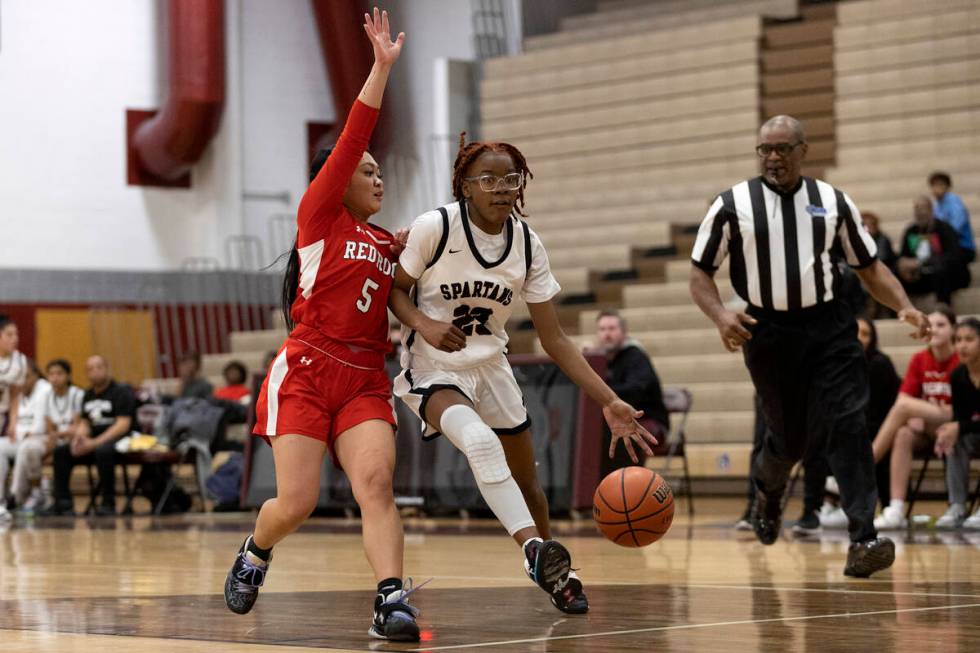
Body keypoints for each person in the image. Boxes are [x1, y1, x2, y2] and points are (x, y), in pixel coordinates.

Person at [224, 11, 436, 643]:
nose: (378, 177)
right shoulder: (319, 219)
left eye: (379, 171)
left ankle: (391, 599)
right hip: (309, 371)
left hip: (365, 376)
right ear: (340, 182)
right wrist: (380, 69)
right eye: (367, 171)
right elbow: (353, 136)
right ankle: (256, 550)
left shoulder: (386, 241)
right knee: (297, 503)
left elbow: (409, 281)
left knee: (375, 485)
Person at [389, 132, 657, 613]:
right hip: (432, 367)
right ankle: (534, 552)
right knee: (478, 442)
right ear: (465, 186)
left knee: (527, 482)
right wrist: (422, 323)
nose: (501, 188)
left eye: (510, 179)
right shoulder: (436, 227)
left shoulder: (528, 246)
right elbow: (395, 288)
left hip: (491, 366)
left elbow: (554, 339)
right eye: (487, 179)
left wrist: (608, 400)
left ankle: (558, 572)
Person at [689, 114, 929, 577]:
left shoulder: (832, 202)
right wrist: (720, 315)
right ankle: (769, 493)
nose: (773, 158)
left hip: (828, 326)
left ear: (803, 150)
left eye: (782, 148)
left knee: (848, 422)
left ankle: (864, 537)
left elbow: (869, 267)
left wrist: (905, 307)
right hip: (768, 331)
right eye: (765, 149)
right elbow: (700, 274)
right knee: (789, 440)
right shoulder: (731, 204)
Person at [872, 306, 959, 529]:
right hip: (930, 426)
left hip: (954, 421)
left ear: (953, 330)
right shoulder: (920, 359)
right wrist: (918, 412)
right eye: (930, 325)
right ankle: (897, 508)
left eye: (941, 325)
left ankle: (866, 463)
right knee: (902, 433)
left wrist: (916, 410)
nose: (935, 330)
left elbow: (905, 404)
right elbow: (904, 399)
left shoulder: (960, 358)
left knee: (903, 410)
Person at [44, 356, 136, 517]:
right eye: (90, 369)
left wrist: (94, 443)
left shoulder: (121, 391)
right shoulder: (88, 395)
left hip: (120, 440)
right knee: (61, 452)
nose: (95, 372)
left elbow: (122, 425)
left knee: (103, 451)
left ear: (107, 369)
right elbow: (85, 423)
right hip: (93, 440)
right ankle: (63, 503)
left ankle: (108, 502)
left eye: (98, 367)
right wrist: (79, 439)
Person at [593, 310, 669, 479]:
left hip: (648, 420)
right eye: (602, 329)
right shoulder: (600, 359)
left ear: (624, 332)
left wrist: (603, 394)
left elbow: (635, 392)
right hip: (617, 419)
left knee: (609, 431)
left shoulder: (636, 356)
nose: (607, 334)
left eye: (612, 328)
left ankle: (624, 487)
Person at [19, 359, 85, 513]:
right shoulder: (47, 396)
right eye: (51, 374)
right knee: (32, 450)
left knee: (57, 454)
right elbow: (50, 429)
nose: (55, 378)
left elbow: (77, 428)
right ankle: (37, 494)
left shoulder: (77, 394)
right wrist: (53, 440)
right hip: (57, 441)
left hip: (75, 442)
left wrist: (60, 434)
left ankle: (58, 498)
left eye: (59, 373)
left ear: (68, 376)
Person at [934, 318, 980, 528]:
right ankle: (958, 506)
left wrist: (959, 427)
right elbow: (961, 418)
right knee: (954, 439)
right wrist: (948, 431)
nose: (962, 345)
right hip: (975, 432)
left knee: (958, 431)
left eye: (969, 339)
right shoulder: (958, 375)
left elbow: (962, 424)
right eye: (958, 339)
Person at [896, 195, 970, 305]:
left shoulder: (944, 228)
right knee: (894, 272)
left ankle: (943, 309)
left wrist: (921, 262)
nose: (920, 212)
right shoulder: (911, 231)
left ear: (931, 209)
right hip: (922, 276)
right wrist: (903, 264)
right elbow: (903, 256)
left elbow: (954, 255)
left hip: (947, 274)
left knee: (941, 269)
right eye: (917, 208)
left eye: (923, 208)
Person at [3, 360, 52, 516]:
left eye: (26, 377)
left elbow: (39, 426)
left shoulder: (45, 389)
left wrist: (22, 434)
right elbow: (14, 426)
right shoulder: (18, 393)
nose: (22, 381)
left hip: (42, 439)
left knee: (26, 448)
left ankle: (15, 496)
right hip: (22, 438)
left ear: (36, 375)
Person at [929, 171, 976, 263]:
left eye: (940, 185)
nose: (936, 188)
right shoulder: (937, 206)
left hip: (963, 246)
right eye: (934, 185)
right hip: (947, 246)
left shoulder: (955, 202)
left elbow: (954, 229)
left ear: (948, 187)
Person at [0, 315, 27, 442]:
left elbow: (15, 396)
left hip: (3, 416)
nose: (15, 339)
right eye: (9, 335)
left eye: (16, 335)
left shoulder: (20, 361)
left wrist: (13, 422)